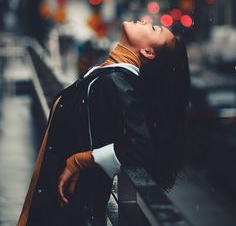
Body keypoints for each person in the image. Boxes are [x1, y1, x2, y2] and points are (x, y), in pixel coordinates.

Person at [17, 20, 191, 226]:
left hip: (69, 210)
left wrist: (80, 160)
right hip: (63, 205)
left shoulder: (116, 82)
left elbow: (140, 147)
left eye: (154, 29)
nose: (146, 21)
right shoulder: (110, 75)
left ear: (147, 52)